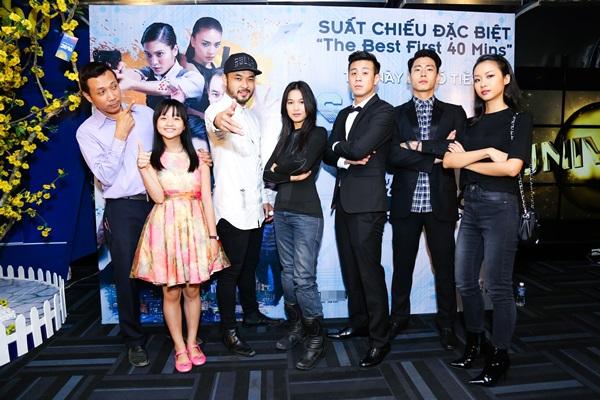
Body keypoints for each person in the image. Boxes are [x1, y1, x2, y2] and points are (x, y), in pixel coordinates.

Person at [443, 54, 532, 386]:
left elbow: (512, 168)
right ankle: (475, 341)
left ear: (506, 79)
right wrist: (486, 153)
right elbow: (448, 162)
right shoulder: (470, 124)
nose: (482, 83)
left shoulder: (519, 119)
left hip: (501, 207)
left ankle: (500, 354)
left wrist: (468, 159)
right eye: (477, 78)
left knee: (497, 286)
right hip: (470, 208)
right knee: (464, 281)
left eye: (490, 76)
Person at [130, 99, 229, 372]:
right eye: (163, 117)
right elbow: (157, 197)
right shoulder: (151, 158)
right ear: (156, 123)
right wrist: (144, 168)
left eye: (176, 117)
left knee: (193, 289)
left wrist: (213, 238)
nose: (170, 123)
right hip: (165, 228)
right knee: (171, 292)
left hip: (196, 227)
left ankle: (192, 342)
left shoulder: (199, 156)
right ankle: (179, 347)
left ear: (185, 124)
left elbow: (207, 199)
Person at [76, 62, 155, 367]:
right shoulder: (87, 132)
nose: (111, 96)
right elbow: (105, 176)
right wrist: (120, 135)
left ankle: (180, 331)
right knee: (126, 274)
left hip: (158, 201)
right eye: (101, 92)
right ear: (88, 96)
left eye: (113, 86)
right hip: (123, 207)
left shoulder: (145, 114)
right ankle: (134, 340)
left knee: (169, 266)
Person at [387, 49, 466, 349]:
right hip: (405, 203)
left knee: (445, 269)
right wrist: (436, 151)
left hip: (441, 203)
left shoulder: (455, 112)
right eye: (417, 68)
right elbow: (391, 156)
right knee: (402, 266)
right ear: (409, 76)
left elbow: (459, 152)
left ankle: (447, 323)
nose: (422, 73)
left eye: (429, 68)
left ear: (438, 75)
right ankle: (399, 318)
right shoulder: (395, 114)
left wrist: (416, 145)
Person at [204, 52, 279, 357]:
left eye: (250, 79)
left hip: (254, 208)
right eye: (238, 78)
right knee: (231, 272)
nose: (245, 84)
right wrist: (218, 120)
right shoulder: (219, 109)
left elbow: (257, 164)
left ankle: (251, 313)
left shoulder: (251, 116)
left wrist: (266, 199)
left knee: (249, 266)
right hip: (232, 209)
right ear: (225, 81)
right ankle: (228, 331)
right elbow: (215, 123)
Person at [323, 51, 394, 368]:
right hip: (343, 201)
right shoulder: (342, 113)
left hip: (368, 205)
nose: (358, 77)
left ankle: (380, 339)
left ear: (376, 78)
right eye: (353, 72)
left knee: (369, 272)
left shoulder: (384, 112)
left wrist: (340, 148)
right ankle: (359, 322)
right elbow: (328, 152)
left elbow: (359, 148)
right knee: (351, 270)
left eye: (364, 72)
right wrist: (342, 154)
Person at [263, 81, 328, 370]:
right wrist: (286, 175)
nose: (296, 107)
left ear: (309, 104)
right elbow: (267, 173)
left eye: (301, 101)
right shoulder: (285, 136)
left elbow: (302, 164)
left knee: (303, 278)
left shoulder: (318, 134)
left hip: (306, 214)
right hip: (282, 212)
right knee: (287, 275)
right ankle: (298, 326)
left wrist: (281, 168)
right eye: (290, 102)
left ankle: (316, 338)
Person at [116, 23, 206, 147]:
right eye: (148, 54)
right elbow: (136, 74)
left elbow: (166, 87)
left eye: (159, 54)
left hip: (194, 145)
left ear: (174, 50)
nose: (154, 62)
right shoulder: (150, 73)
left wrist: (132, 84)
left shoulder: (193, 79)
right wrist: (121, 74)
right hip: (159, 146)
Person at [185, 17, 224, 149]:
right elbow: (183, 108)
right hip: (194, 138)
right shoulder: (188, 69)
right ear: (193, 41)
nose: (212, 51)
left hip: (216, 138)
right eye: (206, 44)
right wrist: (213, 119)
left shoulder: (215, 68)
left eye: (216, 45)